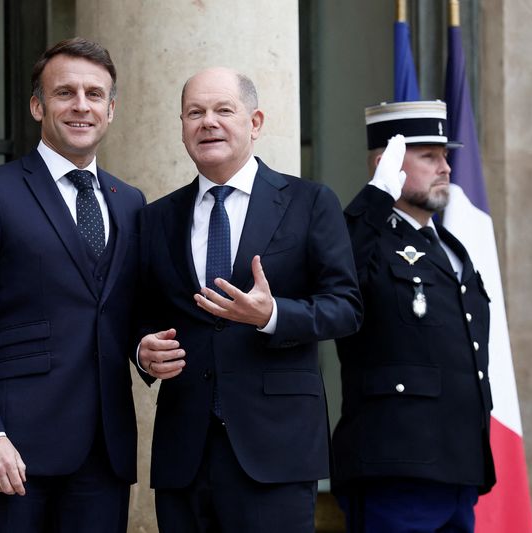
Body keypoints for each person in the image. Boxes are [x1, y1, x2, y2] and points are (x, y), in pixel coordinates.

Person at [136, 67, 362, 532]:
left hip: (275, 450)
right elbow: (136, 313)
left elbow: (347, 306)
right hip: (185, 453)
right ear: (181, 127)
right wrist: (141, 350)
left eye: (224, 110)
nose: (208, 122)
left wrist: (274, 314)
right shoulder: (156, 218)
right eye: (194, 113)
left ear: (255, 122)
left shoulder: (309, 202)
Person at [0, 37, 145, 533]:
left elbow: (125, 313)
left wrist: (144, 348)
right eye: (64, 92)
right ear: (37, 105)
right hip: (12, 450)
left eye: (95, 95)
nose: (81, 106)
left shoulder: (131, 202)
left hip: (104, 452)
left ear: (111, 110)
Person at [332, 100, 495, 533]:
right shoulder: (367, 236)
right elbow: (333, 271)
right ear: (386, 163)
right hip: (395, 466)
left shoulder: (449, 246)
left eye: (445, 156)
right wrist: (375, 197)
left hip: (457, 465)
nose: (445, 167)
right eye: (429, 156)